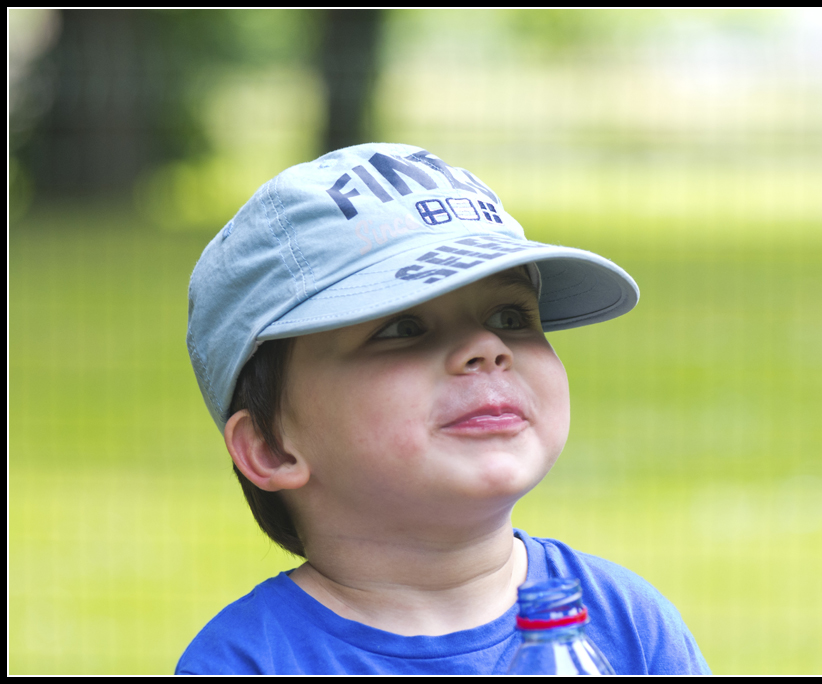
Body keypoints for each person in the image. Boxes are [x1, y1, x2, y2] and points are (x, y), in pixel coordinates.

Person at [177, 142, 712, 675]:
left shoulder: (627, 626)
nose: (487, 347)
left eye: (510, 317)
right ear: (271, 446)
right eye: (403, 329)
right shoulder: (246, 663)